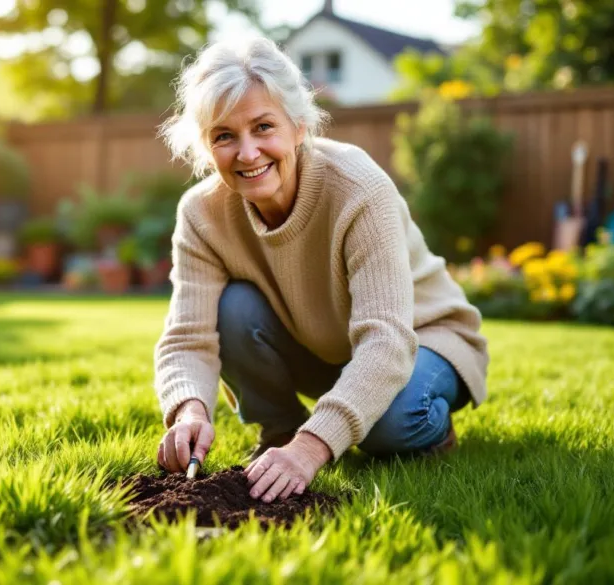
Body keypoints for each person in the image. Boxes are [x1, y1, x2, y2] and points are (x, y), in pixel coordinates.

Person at [152, 36, 489, 504]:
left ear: (299, 126)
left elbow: (387, 342)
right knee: (232, 307)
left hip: (422, 338)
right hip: (327, 348)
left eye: (263, 127)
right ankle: (278, 435)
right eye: (224, 135)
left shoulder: (357, 187)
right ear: (206, 148)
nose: (247, 153)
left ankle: (424, 426)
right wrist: (188, 410)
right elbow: (189, 335)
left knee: (386, 429)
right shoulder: (200, 213)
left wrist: (312, 449)